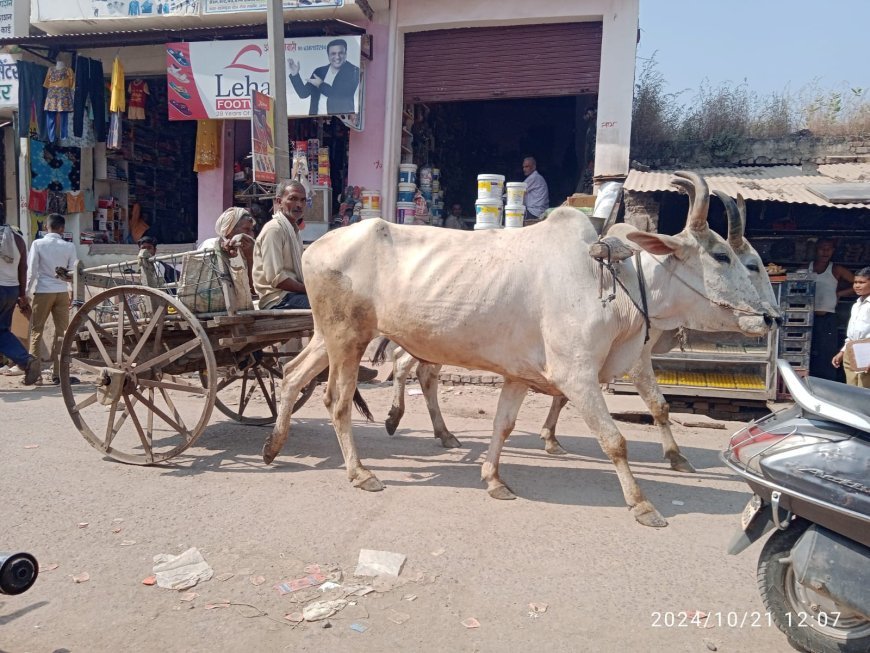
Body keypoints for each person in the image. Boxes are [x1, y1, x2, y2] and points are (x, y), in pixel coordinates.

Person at [26, 213, 77, 385]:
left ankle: (36, 374)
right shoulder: (69, 246)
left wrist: (25, 293)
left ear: (46, 227)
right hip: (62, 291)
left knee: (36, 331)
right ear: (62, 228)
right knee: (62, 333)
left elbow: (31, 271)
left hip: (42, 291)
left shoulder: (38, 244)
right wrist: (71, 291)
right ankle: (58, 373)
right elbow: (72, 273)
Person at [252, 180, 310, 310]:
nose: (299, 205)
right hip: (277, 299)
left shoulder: (293, 231)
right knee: (329, 305)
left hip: (292, 295)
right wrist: (309, 289)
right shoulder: (274, 230)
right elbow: (277, 279)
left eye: (303, 200)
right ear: (279, 202)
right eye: (293, 199)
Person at [0, 215, 40, 384]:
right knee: (2, 331)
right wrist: (22, 295)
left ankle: (25, 360)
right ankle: (26, 360)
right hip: (11, 290)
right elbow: (22, 268)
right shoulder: (18, 239)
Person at [807, 238, 854, 380]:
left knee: (827, 353)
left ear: (833, 251)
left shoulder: (835, 269)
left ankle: (827, 383)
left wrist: (840, 293)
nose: (825, 252)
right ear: (816, 250)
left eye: (829, 249)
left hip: (827, 318)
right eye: (822, 248)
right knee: (808, 352)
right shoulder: (807, 267)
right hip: (807, 318)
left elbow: (857, 282)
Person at [288, 39, 360, 116]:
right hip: (315, 120)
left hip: (339, 122)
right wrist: (295, 74)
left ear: (345, 54)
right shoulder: (319, 71)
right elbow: (303, 94)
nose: (337, 57)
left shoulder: (353, 71)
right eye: (333, 54)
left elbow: (341, 96)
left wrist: (320, 84)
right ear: (328, 56)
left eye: (341, 53)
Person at [199, 207, 256, 297]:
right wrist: (224, 254)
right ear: (230, 230)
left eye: (252, 230)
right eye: (246, 229)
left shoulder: (247, 250)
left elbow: (253, 289)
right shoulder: (210, 245)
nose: (251, 234)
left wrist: (250, 257)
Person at [832, 267, 870, 388]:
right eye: (855, 282)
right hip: (851, 350)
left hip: (866, 351)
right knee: (852, 388)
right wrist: (842, 352)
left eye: (862, 282)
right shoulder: (856, 305)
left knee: (864, 389)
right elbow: (851, 334)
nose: (857, 286)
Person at [521, 157, 549, 224]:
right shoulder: (536, 177)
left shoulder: (534, 177)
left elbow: (517, 190)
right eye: (523, 167)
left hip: (534, 212)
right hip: (536, 211)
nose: (524, 169)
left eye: (527, 167)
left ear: (534, 167)